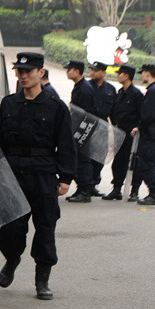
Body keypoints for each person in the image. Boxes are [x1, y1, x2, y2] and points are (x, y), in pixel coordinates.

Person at [0, 52, 76, 300]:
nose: (23, 76)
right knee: (10, 228)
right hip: (13, 174)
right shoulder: (9, 104)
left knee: (45, 227)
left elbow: (66, 144)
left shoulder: (55, 107)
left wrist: (65, 178)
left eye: (28, 72)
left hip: (42, 174)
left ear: (40, 73)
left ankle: (42, 280)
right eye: (19, 72)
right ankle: (11, 259)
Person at [102, 65, 142, 201]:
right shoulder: (120, 93)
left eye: (120, 74)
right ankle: (117, 189)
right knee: (118, 160)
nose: (118, 76)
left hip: (131, 133)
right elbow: (114, 111)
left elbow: (141, 114)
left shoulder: (136, 94)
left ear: (126, 76)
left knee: (132, 162)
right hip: (120, 131)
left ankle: (134, 190)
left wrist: (137, 128)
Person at [131, 64, 155, 206]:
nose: (142, 76)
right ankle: (153, 192)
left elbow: (148, 115)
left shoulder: (153, 91)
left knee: (149, 161)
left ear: (147, 73)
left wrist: (139, 127)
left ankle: (153, 194)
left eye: (143, 73)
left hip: (151, 133)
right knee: (154, 160)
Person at [65, 59, 97, 203]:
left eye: (69, 69)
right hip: (79, 128)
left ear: (77, 71)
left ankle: (85, 190)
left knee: (83, 159)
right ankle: (81, 188)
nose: (67, 72)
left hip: (82, 129)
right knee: (79, 158)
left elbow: (84, 113)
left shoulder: (84, 89)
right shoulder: (80, 86)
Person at [88, 62, 116, 197]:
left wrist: (116, 127)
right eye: (91, 70)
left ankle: (93, 183)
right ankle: (85, 183)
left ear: (103, 73)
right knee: (86, 155)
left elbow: (114, 111)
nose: (92, 73)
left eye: (95, 70)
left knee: (100, 155)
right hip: (88, 124)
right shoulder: (86, 87)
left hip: (103, 126)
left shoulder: (110, 89)